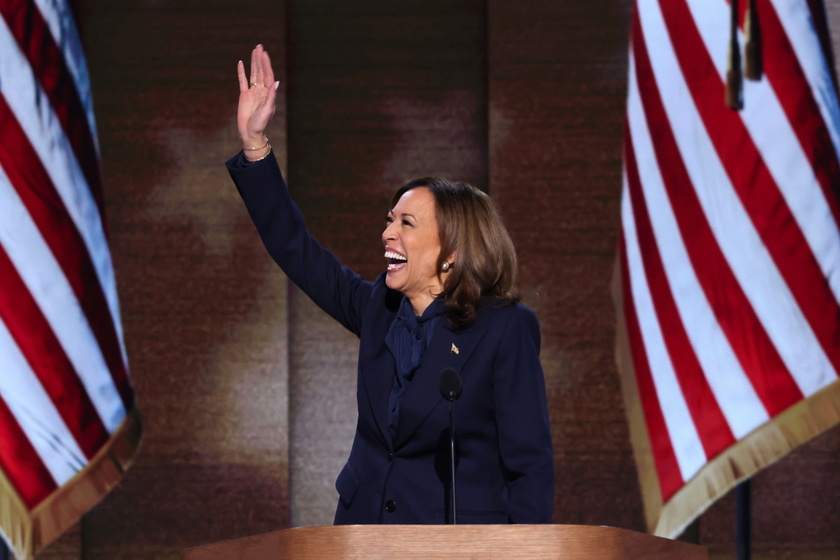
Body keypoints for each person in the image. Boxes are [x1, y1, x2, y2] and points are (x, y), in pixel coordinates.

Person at [227, 45, 554, 524]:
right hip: (360, 534)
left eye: (407, 223)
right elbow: (296, 251)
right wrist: (255, 145)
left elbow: (529, 465)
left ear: (453, 251)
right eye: (388, 220)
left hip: (453, 544)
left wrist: (525, 553)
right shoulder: (377, 308)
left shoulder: (505, 330)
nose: (387, 233)